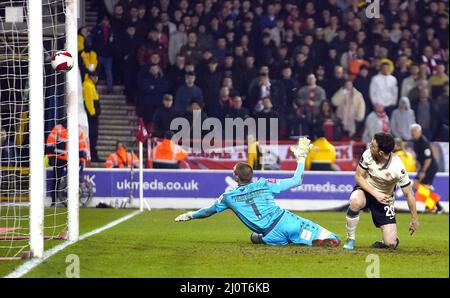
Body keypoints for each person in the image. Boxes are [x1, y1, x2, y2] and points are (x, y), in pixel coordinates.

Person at [175, 137, 341, 247]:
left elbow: (208, 212)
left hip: (271, 235)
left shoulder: (228, 197)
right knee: (332, 238)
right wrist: (301, 158)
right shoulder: (265, 183)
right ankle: (315, 238)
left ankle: (287, 239)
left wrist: (190, 215)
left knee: (254, 237)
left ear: (236, 177)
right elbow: (297, 180)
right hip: (286, 219)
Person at [343, 132, 419, 250]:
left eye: (373, 145)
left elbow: (409, 194)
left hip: (385, 199)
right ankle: (350, 238)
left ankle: (387, 239)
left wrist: (414, 218)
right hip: (366, 190)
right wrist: (375, 193)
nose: (369, 146)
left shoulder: (397, 167)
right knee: (355, 201)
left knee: (391, 244)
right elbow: (358, 177)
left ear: (381, 153)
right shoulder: (368, 154)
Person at [46, 122, 89, 206]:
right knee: (56, 179)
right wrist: (51, 157)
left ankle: (71, 200)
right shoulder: (58, 128)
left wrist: (81, 159)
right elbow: (50, 143)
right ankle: (54, 201)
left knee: (72, 180)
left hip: (71, 159)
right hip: (59, 158)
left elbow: (82, 147)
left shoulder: (78, 130)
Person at [410, 124, 445, 214]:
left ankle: (435, 207)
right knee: (417, 186)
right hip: (423, 167)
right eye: (412, 131)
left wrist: (423, 171)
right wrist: (418, 168)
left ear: (419, 131)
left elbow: (428, 158)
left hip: (430, 167)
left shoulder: (423, 142)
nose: (413, 133)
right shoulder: (415, 142)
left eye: (415, 131)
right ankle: (431, 206)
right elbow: (419, 157)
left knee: (424, 187)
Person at [82, 70, 101, 162]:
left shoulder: (91, 85)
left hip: (93, 114)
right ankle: (93, 155)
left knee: (94, 135)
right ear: (91, 77)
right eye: (95, 76)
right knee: (93, 134)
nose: (96, 78)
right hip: (92, 115)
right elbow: (89, 101)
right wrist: (93, 113)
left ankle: (93, 154)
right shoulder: (88, 86)